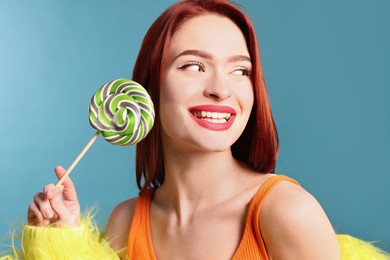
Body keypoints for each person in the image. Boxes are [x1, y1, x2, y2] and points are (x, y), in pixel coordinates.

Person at [3, 0, 388, 259]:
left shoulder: (286, 212)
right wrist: (59, 240)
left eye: (241, 70)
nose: (221, 89)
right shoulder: (125, 221)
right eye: (193, 66)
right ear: (148, 88)